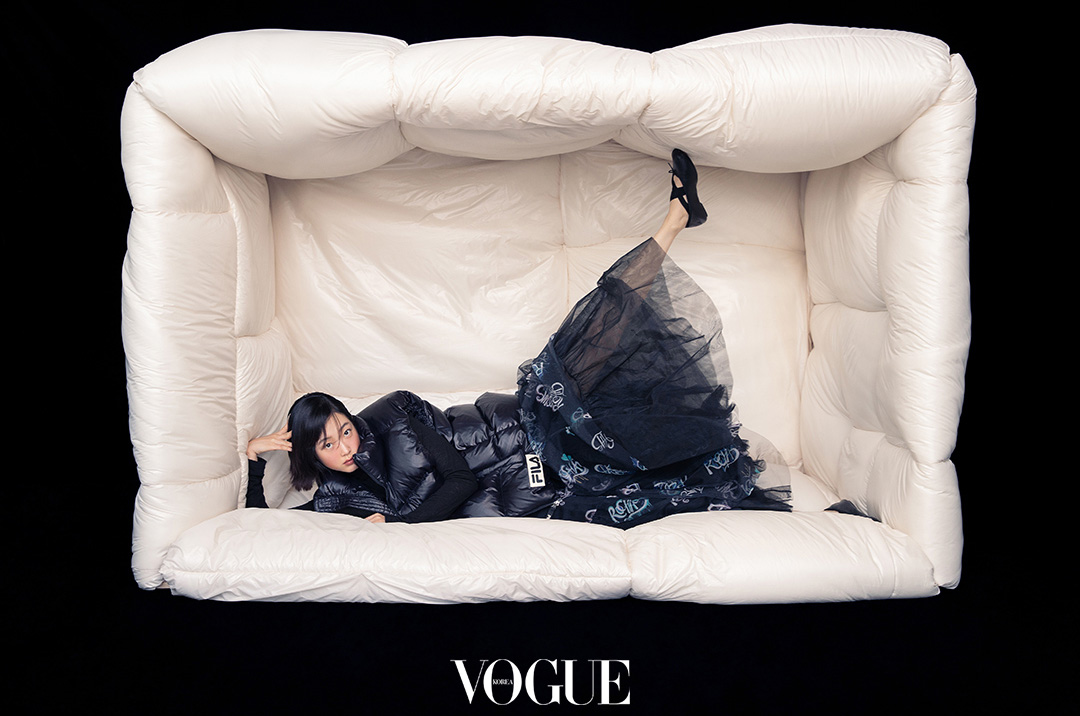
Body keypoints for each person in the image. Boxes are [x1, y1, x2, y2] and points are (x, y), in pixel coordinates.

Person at [246, 149, 789, 528]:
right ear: (311, 454)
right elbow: (260, 527)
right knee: (638, 475)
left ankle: (675, 218)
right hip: (534, 479)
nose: (346, 446)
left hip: (528, 422)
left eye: (344, 429)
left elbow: (458, 481)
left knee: (598, 331)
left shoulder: (390, 414)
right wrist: (253, 459)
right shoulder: (334, 500)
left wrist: (396, 522)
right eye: (328, 444)